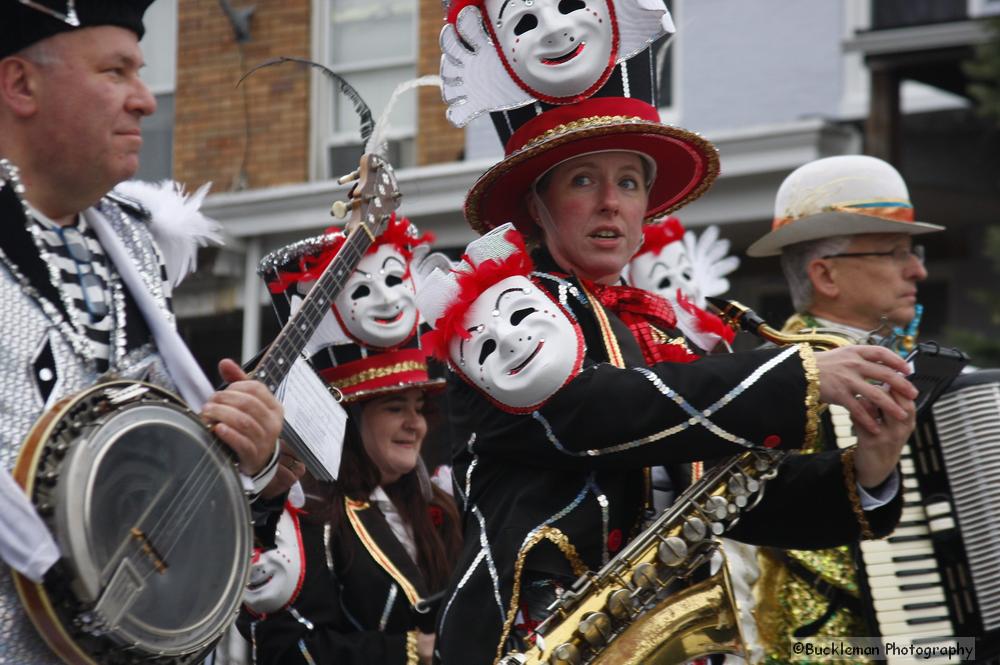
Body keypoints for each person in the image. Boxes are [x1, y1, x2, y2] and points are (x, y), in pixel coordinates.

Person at [416, 96, 918, 664]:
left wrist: (870, 468)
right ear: (539, 204)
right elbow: (583, 414)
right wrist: (794, 373)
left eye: (629, 184)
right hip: (532, 637)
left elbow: (739, 499)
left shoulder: (662, 335)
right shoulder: (501, 307)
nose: (611, 203)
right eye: (584, 181)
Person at [0, 3, 292, 661]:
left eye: (141, 72)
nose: (145, 101)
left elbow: (161, 504)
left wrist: (249, 457)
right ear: (21, 86)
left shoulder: (136, 243)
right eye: (116, 71)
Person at [745, 154, 943, 663]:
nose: (918, 269)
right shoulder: (775, 378)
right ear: (826, 276)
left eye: (913, 250)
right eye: (896, 252)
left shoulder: (912, 361)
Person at [241, 226, 461, 665]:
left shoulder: (437, 504)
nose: (414, 425)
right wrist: (410, 652)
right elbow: (284, 649)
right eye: (395, 408)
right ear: (351, 420)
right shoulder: (307, 513)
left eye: (419, 408)